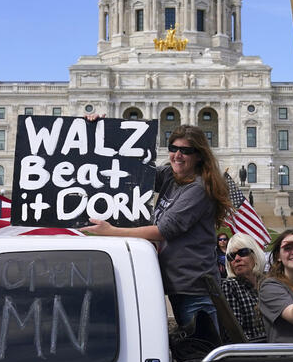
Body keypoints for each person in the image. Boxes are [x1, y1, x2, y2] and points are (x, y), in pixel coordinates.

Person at [83, 124, 231, 331]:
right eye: (173, 148)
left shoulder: (199, 188)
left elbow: (163, 230)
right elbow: (131, 171)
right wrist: (96, 128)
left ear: (199, 155)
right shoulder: (171, 177)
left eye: (186, 151)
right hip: (177, 284)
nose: (177, 155)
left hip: (194, 289)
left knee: (200, 351)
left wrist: (110, 231)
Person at [220, 233, 267, 341]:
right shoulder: (230, 286)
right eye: (231, 256)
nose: (236, 258)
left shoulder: (268, 283)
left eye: (243, 252)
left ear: (255, 255)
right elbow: (235, 334)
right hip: (251, 351)